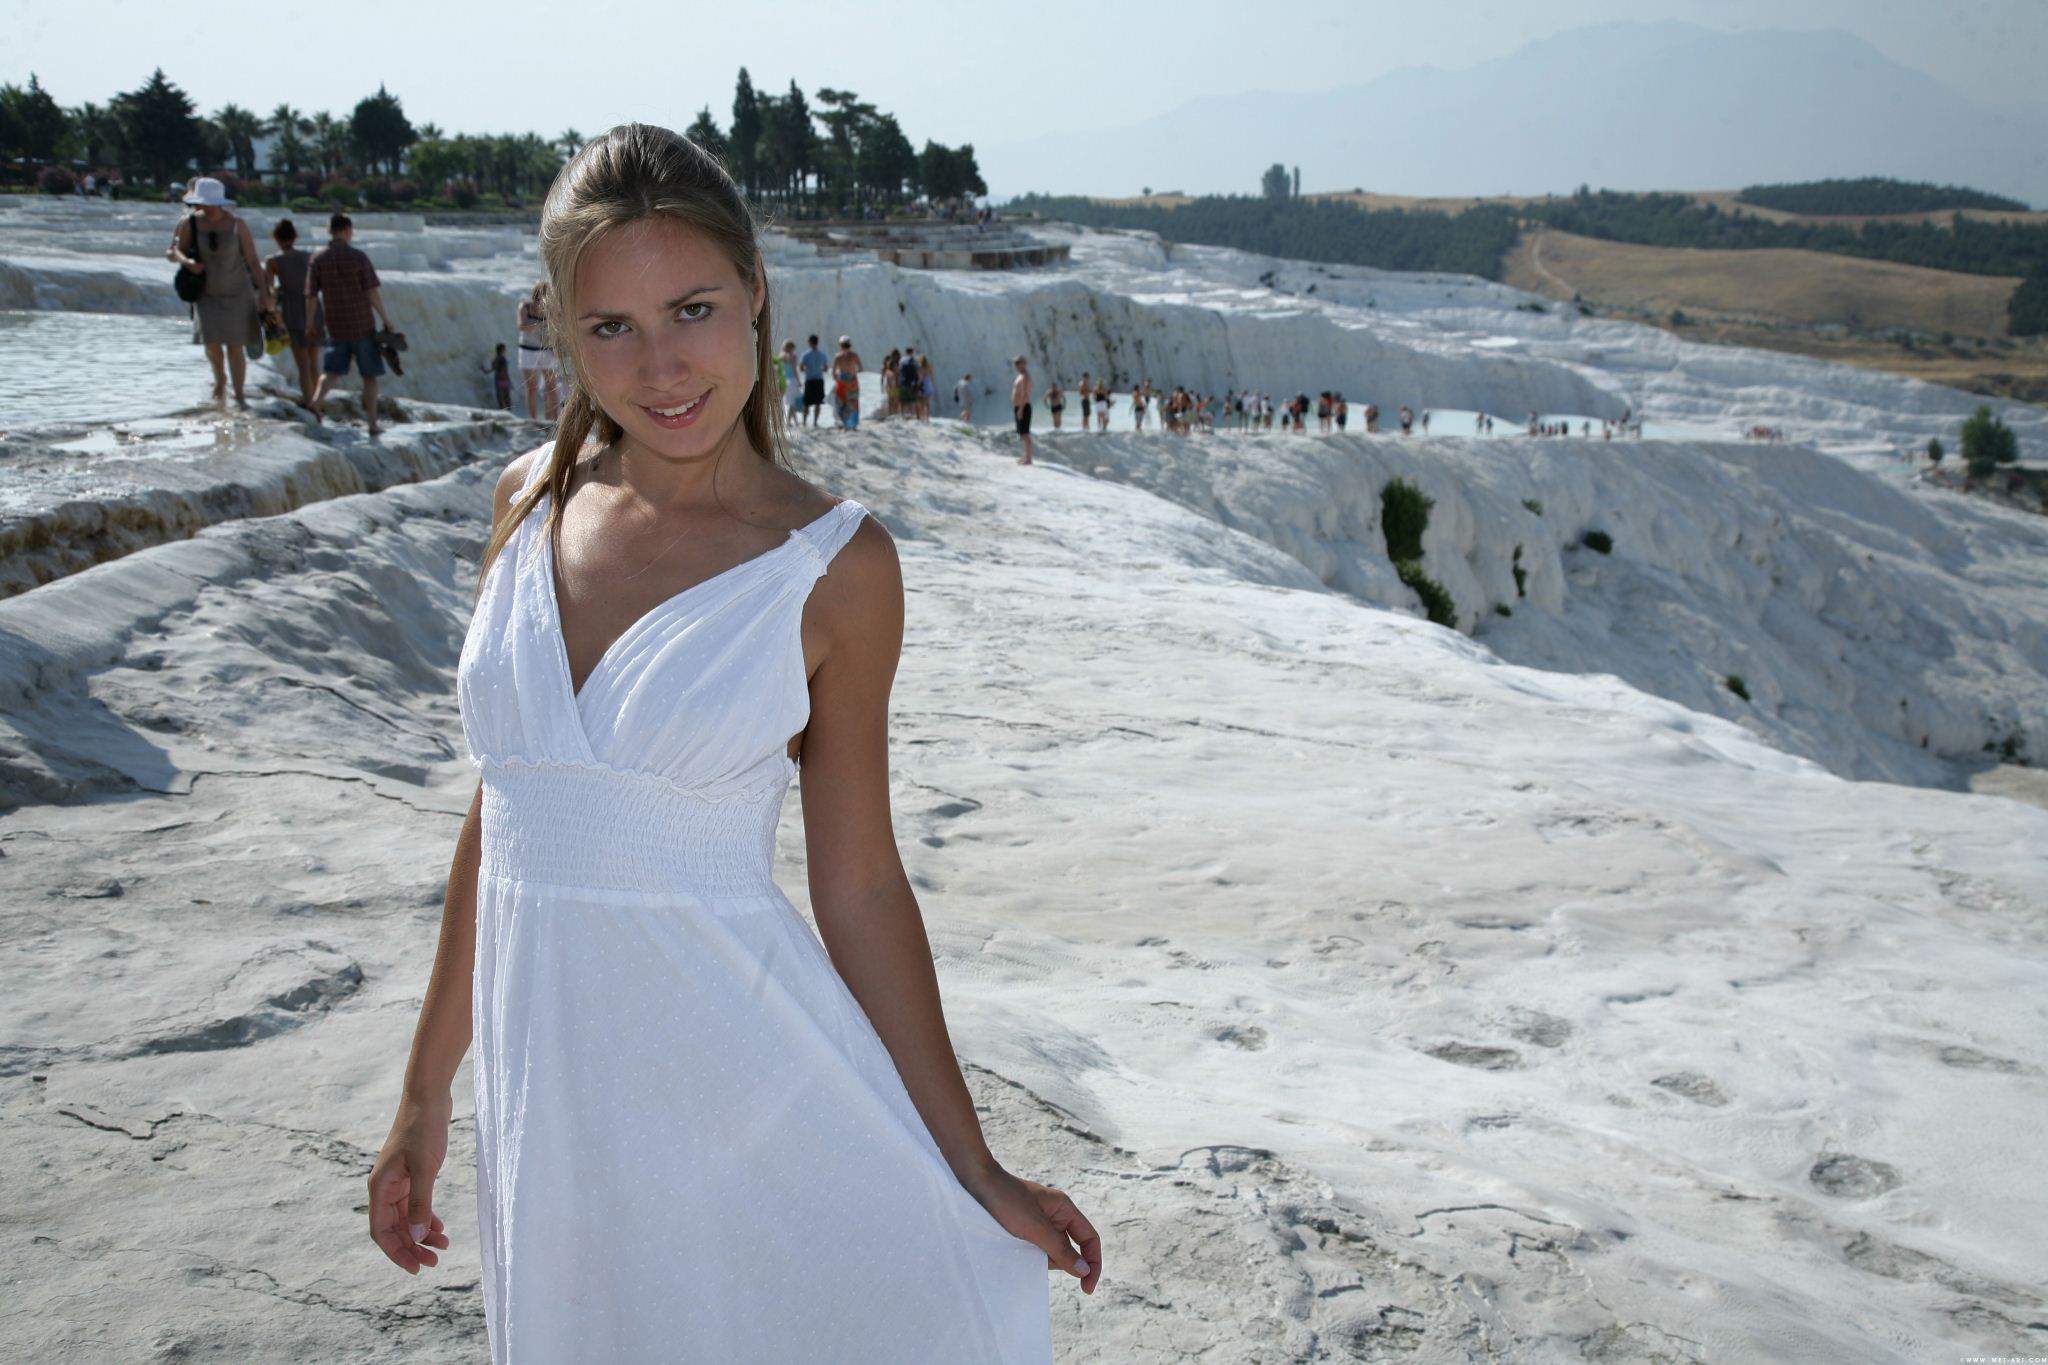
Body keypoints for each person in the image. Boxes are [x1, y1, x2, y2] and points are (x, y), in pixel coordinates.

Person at [368, 123, 1092, 1360]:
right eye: (611, 326)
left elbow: (859, 885)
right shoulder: (527, 503)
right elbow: (509, 814)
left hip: (735, 1086)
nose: (660, 366)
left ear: (755, 292)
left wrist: (970, 1164)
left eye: (692, 310)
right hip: (550, 1102)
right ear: (561, 330)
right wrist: (424, 1093)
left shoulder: (833, 567)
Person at [164, 176, 273, 409]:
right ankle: (220, 380)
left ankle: (239, 394)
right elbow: (174, 251)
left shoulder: (237, 224)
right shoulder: (189, 223)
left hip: (237, 292)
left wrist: (264, 294)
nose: (204, 207)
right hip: (206, 294)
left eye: (208, 203)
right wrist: (187, 262)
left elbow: (253, 261)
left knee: (235, 345)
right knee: (211, 343)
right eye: (202, 203)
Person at [306, 212, 397, 436]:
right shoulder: (358, 257)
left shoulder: (318, 259)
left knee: (331, 372)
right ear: (347, 230)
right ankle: (373, 423)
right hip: (362, 325)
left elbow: (311, 296)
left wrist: (309, 323)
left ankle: (315, 402)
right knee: (369, 376)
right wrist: (386, 319)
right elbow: (371, 291)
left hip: (336, 326)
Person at [262, 217, 320, 412]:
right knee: (314, 363)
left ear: (276, 239)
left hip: (292, 310)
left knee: (302, 364)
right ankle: (318, 401)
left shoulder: (273, 261)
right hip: (313, 307)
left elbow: (269, 290)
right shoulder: (309, 257)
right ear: (295, 237)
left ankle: (309, 403)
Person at [514, 282, 561, 421]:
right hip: (528, 350)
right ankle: (533, 420)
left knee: (551, 387)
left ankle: (553, 420)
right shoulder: (525, 307)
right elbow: (522, 326)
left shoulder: (552, 310)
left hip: (547, 350)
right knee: (532, 387)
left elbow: (558, 330)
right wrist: (541, 322)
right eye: (541, 297)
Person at [832, 335, 862, 429]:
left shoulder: (838, 357)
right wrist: (853, 372)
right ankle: (852, 424)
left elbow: (833, 373)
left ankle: (844, 423)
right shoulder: (854, 355)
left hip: (842, 380)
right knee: (853, 401)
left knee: (841, 402)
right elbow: (861, 368)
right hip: (852, 379)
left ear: (840, 345)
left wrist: (838, 378)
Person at [799, 333, 829, 426]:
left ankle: (804, 422)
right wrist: (819, 369)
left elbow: (801, 368)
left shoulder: (806, 355)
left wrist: (808, 369)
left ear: (810, 342)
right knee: (818, 402)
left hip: (809, 380)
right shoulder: (822, 355)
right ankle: (815, 422)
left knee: (806, 402)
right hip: (819, 380)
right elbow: (826, 369)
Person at [1011, 354, 1035, 464]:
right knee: (1022, 433)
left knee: (1025, 433)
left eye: (1018, 363)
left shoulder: (1025, 376)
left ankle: (1028, 459)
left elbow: (1025, 394)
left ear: (1024, 364)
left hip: (1023, 407)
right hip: (1019, 407)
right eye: (1015, 363)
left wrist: (1021, 409)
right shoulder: (1021, 375)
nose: (1016, 365)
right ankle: (1025, 456)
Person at [484, 342, 513, 409]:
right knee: (507, 400)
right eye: (504, 349)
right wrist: (509, 381)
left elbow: (492, 370)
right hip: (504, 381)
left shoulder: (494, 359)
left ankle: (502, 412)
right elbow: (505, 371)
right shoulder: (503, 359)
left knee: (500, 400)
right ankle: (509, 413)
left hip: (498, 381)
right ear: (502, 349)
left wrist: (484, 370)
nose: (505, 350)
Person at [779, 339, 802, 423]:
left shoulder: (781, 356)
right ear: (791, 347)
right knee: (793, 401)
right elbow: (794, 370)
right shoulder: (793, 356)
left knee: (789, 401)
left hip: (783, 380)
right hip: (792, 380)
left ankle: (795, 421)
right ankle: (788, 421)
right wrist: (799, 381)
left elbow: (779, 370)